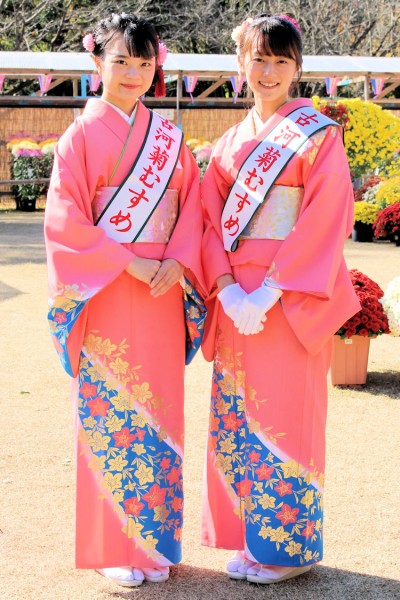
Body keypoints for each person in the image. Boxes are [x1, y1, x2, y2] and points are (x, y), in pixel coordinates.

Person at [44, 12, 204, 588]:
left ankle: (154, 542)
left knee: (160, 417)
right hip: (109, 290)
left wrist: (178, 259)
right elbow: (66, 222)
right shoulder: (79, 136)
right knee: (113, 415)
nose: (134, 74)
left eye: (144, 63)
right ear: (97, 63)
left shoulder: (169, 138)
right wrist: (128, 259)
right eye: (121, 62)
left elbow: (192, 210)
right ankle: (114, 543)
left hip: (161, 289)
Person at [200, 14, 360, 585]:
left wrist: (271, 287)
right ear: (239, 63)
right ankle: (250, 537)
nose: (268, 72)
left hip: (288, 298)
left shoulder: (318, 134)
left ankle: (287, 550)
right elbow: (207, 223)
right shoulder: (227, 142)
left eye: (280, 61)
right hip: (237, 300)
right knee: (238, 418)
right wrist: (225, 287)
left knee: (286, 416)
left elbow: (326, 215)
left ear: (297, 69)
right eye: (257, 59)